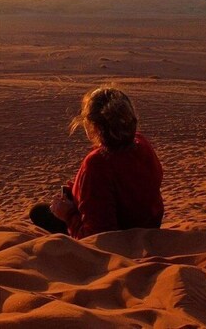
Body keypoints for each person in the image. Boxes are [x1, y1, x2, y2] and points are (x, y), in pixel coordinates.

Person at [30, 86, 164, 238]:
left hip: (121, 238)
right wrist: (73, 191)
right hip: (148, 225)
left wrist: (68, 215)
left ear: (93, 126)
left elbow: (97, 236)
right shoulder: (141, 144)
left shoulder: (98, 163)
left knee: (38, 213)